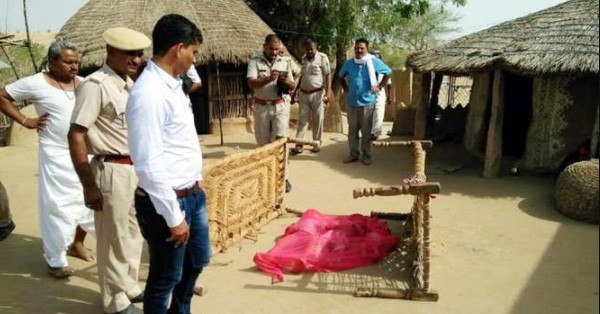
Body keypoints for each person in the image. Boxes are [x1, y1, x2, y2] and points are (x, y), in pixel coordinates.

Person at [125, 14, 211, 314]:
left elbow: (181, 141)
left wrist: (195, 179)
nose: (194, 60)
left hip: (191, 194)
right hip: (166, 202)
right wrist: (173, 216)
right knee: (165, 278)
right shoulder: (148, 93)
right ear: (179, 48)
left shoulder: (174, 85)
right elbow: (147, 163)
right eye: (194, 52)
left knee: (197, 261)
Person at [68, 27, 150, 314]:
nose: (137, 59)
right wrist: (88, 185)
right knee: (112, 238)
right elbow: (76, 134)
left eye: (139, 54)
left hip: (133, 170)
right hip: (110, 169)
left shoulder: (128, 85)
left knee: (133, 233)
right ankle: (114, 302)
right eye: (130, 53)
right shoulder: (95, 85)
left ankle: (128, 286)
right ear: (111, 52)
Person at [0, 40, 95, 278]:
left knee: (90, 201)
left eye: (76, 62)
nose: (74, 67)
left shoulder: (84, 84)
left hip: (86, 152)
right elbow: (2, 96)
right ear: (52, 61)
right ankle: (56, 259)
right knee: (58, 206)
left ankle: (78, 243)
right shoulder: (36, 83)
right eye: (68, 62)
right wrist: (25, 121)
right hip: (56, 155)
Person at [247, 34, 295, 192]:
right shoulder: (255, 61)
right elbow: (251, 82)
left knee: (281, 143)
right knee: (263, 144)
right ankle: (265, 177)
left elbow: (292, 85)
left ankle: (283, 177)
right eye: (271, 49)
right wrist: (268, 79)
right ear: (264, 47)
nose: (274, 52)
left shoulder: (285, 61)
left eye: (277, 49)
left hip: (280, 106)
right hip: (261, 107)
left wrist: (284, 81)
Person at [338, 38, 392, 166]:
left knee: (366, 132)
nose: (359, 50)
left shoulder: (373, 61)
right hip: (352, 103)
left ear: (367, 49)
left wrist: (379, 87)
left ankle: (367, 156)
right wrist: (346, 88)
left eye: (362, 48)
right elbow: (340, 76)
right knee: (352, 131)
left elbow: (388, 72)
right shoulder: (349, 63)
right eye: (357, 48)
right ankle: (353, 154)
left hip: (367, 103)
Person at [290, 38, 331, 155]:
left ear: (316, 48)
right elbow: (302, 76)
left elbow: (328, 75)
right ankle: (299, 144)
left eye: (312, 49)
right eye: (307, 49)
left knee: (318, 119)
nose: (310, 52)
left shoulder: (323, 58)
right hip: (304, 94)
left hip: (317, 94)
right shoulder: (303, 58)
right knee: (302, 120)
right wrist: (296, 91)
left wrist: (328, 93)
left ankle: (316, 143)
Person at [369, 50, 395, 140]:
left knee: (379, 113)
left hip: (380, 94)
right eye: (373, 56)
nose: (375, 58)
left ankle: (375, 133)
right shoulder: (366, 68)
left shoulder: (384, 68)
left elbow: (389, 84)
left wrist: (389, 96)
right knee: (368, 114)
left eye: (377, 56)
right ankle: (368, 132)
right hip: (368, 94)